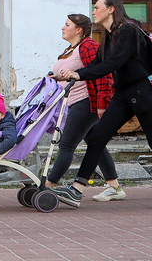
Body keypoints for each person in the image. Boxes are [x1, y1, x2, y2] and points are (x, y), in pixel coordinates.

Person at [49, 0, 152, 211]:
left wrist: (78, 75)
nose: (93, 11)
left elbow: (114, 62)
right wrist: (71, 74)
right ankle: (76, 190)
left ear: (111, 9)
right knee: (96, 138)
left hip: (142, 92)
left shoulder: (127, 30)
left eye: (97, 7)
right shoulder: (109, 33)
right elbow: (99, 62)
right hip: (123, 93)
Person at [44, 13, 125, 204]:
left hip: (86, 102)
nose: (63, 28)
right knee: (95, 142)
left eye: (67, 25)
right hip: (75, 102)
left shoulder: (88, 45)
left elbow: (103, 73)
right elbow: (78, 73)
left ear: (78, 29)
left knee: (67, 145)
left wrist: (102, 104)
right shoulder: (70, 49)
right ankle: (114, 187)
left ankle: (48, 186)